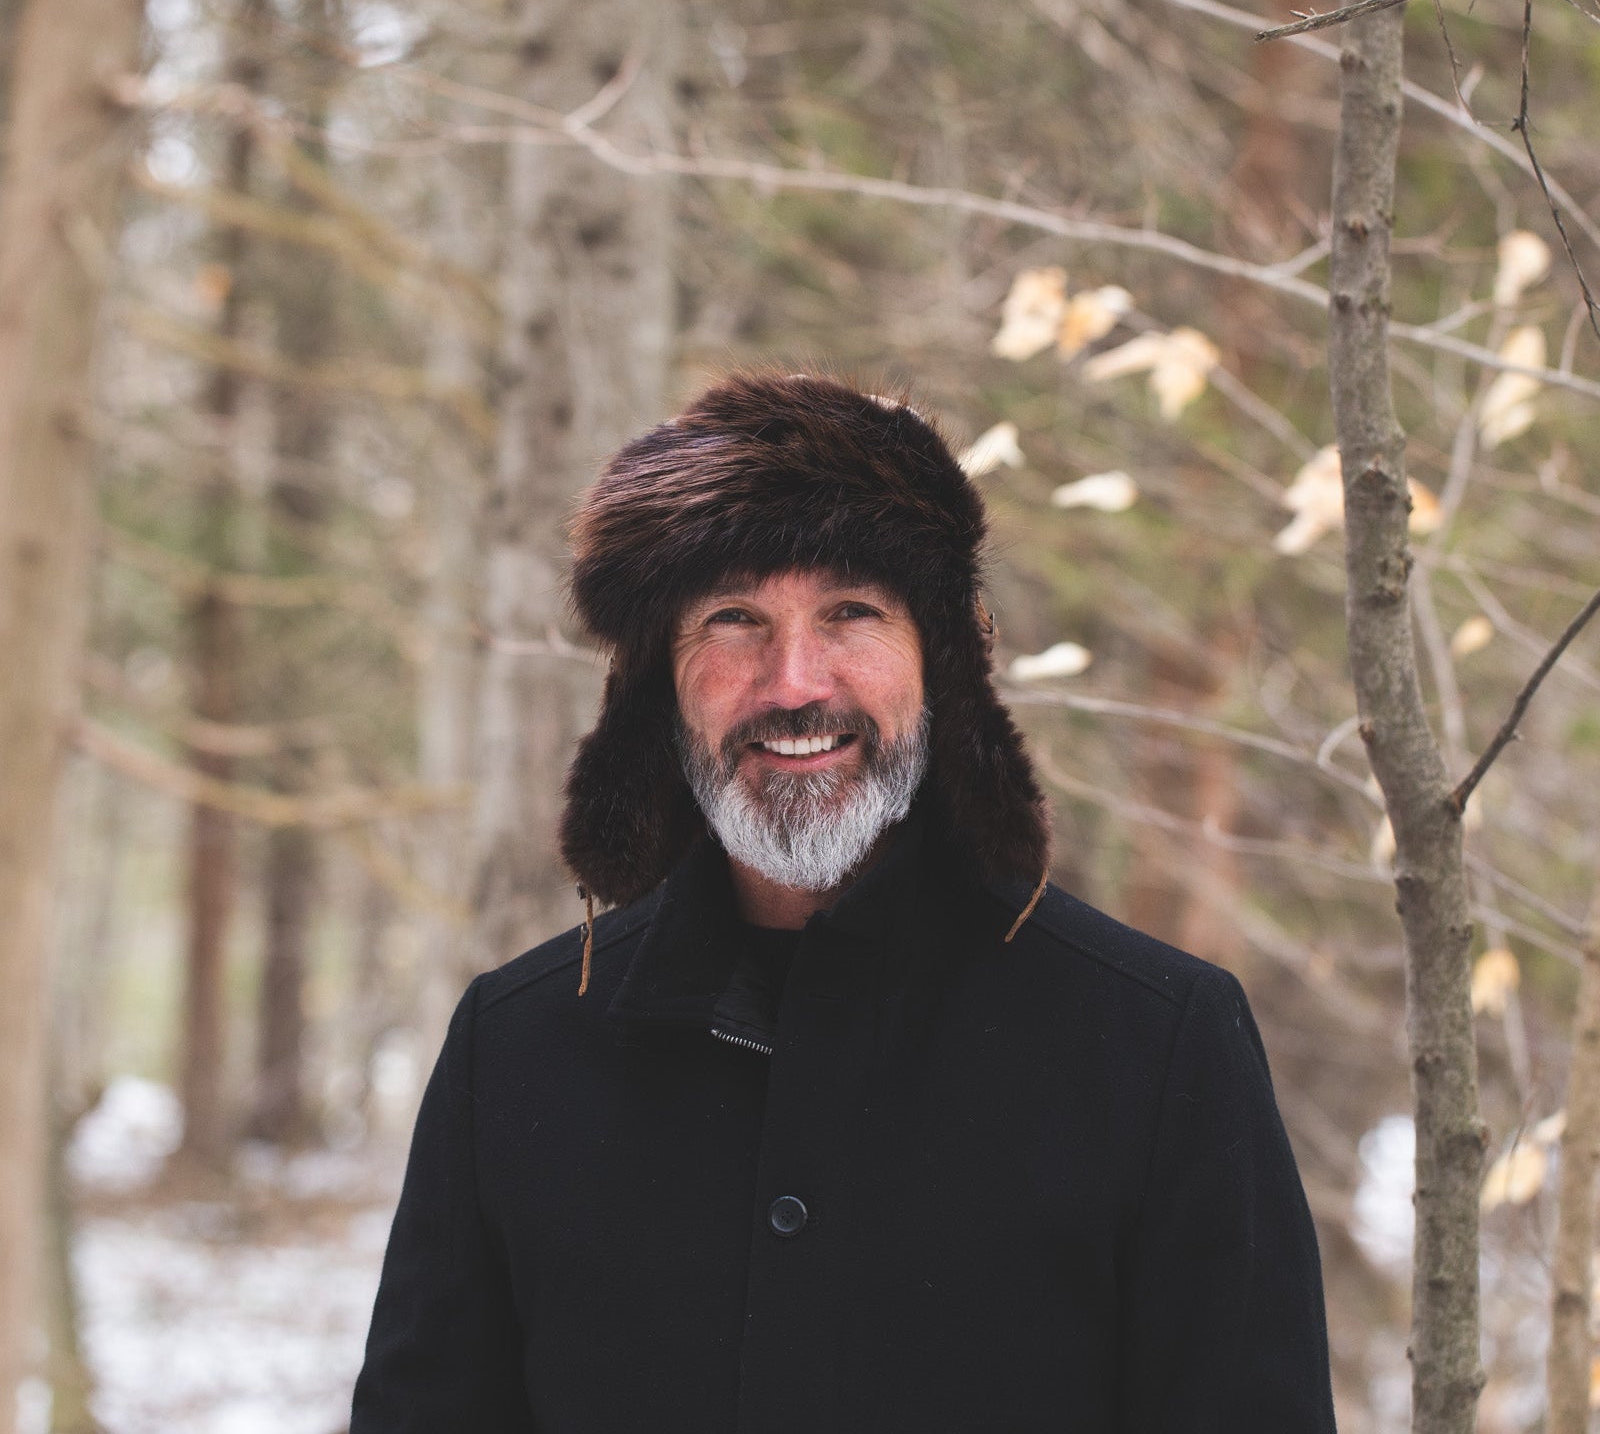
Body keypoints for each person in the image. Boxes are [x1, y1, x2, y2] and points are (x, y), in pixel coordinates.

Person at [351, 374, 1337, 1433]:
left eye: (850, 613)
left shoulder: (1156, 1047)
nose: (792, 682)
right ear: (660, 681)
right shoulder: (519, 1049)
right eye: (733, 620)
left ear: (943, 661)